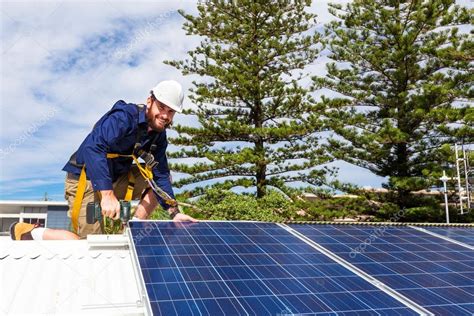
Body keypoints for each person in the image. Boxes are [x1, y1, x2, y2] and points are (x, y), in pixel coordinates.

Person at [10, 80, 197, 241]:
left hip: (115, 179)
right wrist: (107, 195)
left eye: (171, 111)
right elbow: (94, 148)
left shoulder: (158, 136)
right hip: (86, 181)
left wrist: (175, 212)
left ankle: (133, 228)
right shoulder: (123, 117)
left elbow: (160, 174)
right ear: (150, 101)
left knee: (162, 179)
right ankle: (29, 232)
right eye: (161, 107)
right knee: (88, 244)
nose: (165, 115)